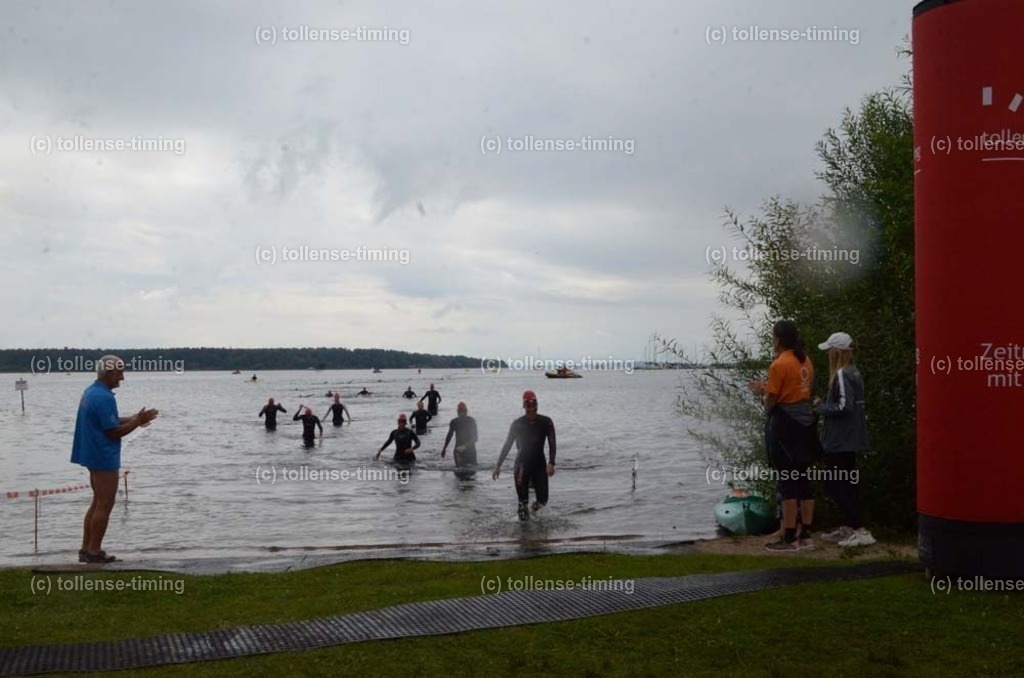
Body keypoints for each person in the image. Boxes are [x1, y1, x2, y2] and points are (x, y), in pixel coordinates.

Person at [71, 355, 158, 564]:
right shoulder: (104, 397)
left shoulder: (92, 392)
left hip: (92, 454)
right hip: (103, 457)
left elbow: (108, 421)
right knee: (105, 504)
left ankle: (86, 548)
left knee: (97, 502)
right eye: (120, 372)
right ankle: (94, 551)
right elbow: (113, 432)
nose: (123, 377)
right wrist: (136, 422)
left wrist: (136, 418)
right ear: (109, 373)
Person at [748, 320, 820, 552]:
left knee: (787, 480)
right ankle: (806, 534)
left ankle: (789, 538)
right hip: (806, 425)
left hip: (785, 428)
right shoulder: (805, 361)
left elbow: (771, 401)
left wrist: (762, 393)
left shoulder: (779, 364)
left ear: (777, 339)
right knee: (803, 480)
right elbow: (802, 392)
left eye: (772, 337)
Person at [814, 332, 875, 548]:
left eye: (830, 349)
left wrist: (820, 408)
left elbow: (843, 406)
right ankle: (851, 526)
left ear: (838, 352)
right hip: (851, 438)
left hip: (839, 440)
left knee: (834, 484)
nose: (828, 353)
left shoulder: (841, 374)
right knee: (847, 484)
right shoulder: (854, 373)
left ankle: (859, 529)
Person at [493, 390, 556, 521]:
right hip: (522, 466)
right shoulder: (517, 424)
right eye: (528, 406)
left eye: (533, 405)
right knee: (522, 504)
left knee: (543, 500)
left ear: (537, 405)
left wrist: (551, 462)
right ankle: (523, 538)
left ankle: (532, 512)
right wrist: (498, 465)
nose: (531, 409)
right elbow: (508, 444)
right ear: (524, 407)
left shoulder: (546, 422)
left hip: (539, 465)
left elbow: (552, 442)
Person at [442, 401, 478, 468]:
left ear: (466, 411)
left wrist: (465, 446)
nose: (462, 414)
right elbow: (449, 435)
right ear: (457, 412)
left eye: (464, 411)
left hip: (470, 449)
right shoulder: (454, 422)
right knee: (459, 472)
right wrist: (444, 448)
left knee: (473, 471)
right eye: (460, 412)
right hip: (458, 450)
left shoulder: (471, 421)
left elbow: (475, 437)